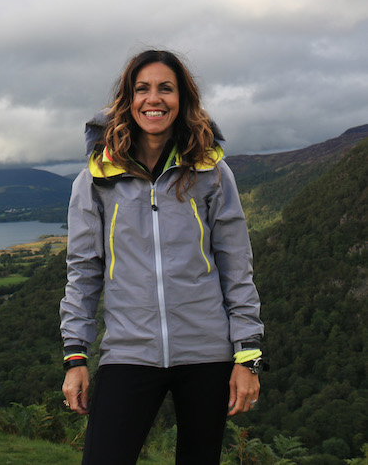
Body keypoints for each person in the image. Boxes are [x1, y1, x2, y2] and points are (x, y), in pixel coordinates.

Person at [59, 50, 265, 464]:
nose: (154, 99)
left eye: (165, 89)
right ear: (128, 100)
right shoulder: (97, 178)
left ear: (182, 99)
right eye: (143, 89)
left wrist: (249, 354)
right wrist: (75, 354)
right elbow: (83, 272)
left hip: (208, 353)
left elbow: (235, 264)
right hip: (128, 352)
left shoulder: (212, 172)